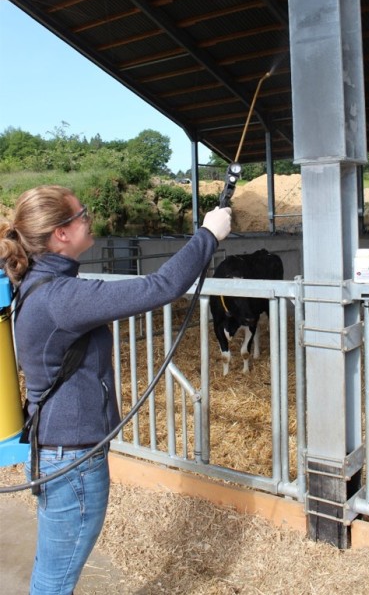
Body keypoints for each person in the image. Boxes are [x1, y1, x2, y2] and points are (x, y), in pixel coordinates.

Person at [0, 184, 231, 595]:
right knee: (55, 579)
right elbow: (160, 287)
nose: (90, 218)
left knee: (55, 569)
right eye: (82, 214)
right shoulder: (61, 297)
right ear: (61, 234)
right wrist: (208, 235)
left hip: (59, 449)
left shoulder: (39, 282)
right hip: (72, 456)